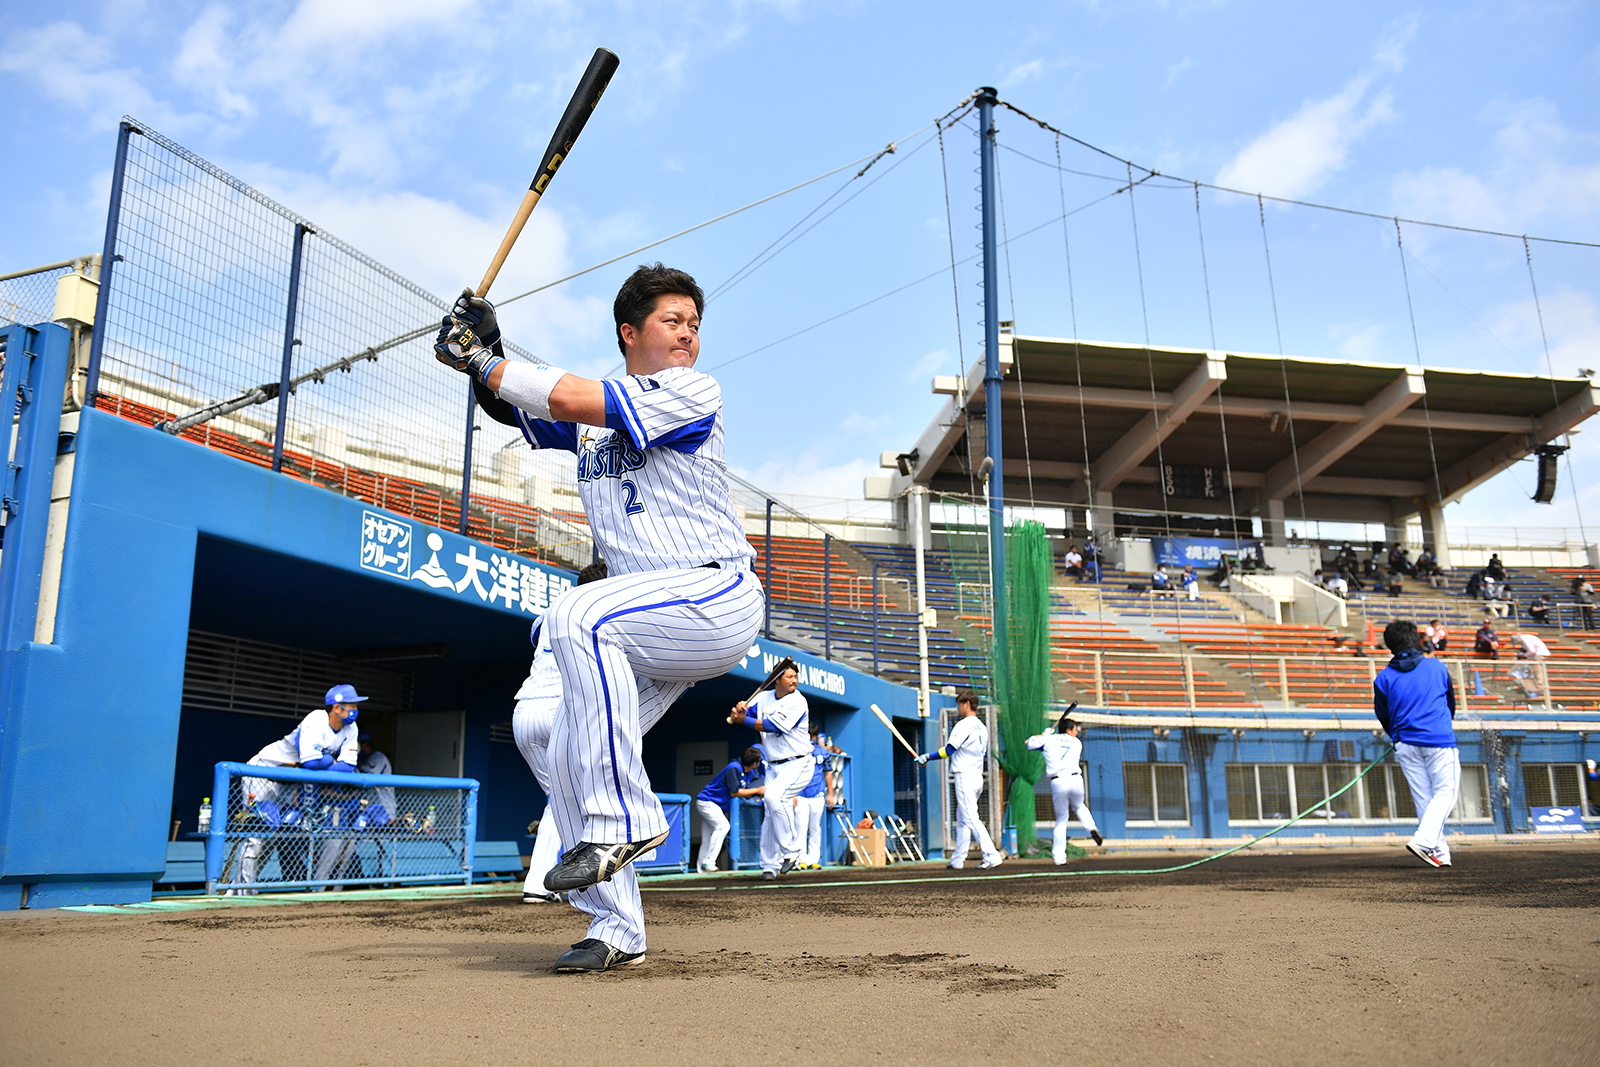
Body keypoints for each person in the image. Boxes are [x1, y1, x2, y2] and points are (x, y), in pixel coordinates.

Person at [438, 264, 765, 972]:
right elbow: (517, 408)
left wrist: (489, 362)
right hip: (648, 624)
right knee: (561, 743)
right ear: (630, 331)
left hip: (712, 597)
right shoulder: (593, 425)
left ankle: (628, 821)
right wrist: (481, 352)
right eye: (672, 320)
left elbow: (567, 392)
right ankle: (616, 928)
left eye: (694, 323)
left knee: (577, 611)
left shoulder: (689, 390)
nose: (688, 332)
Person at [511, 559, 614, 905]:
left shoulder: (553, 612)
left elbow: (534, 634)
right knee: (565, 798)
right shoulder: (600, 612)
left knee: (562, 798)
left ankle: (564, 877)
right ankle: (543, 882)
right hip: (559, 709)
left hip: (524, 710)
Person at [235, 685, 364, 892]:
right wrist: (331, 760)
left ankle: (245, 888)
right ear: (336, 707)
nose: (355, 709)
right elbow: (310, 763)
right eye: (351, 705)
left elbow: (347, 767)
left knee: (271, 839)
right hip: (264, 773)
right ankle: (241, 892)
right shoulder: (316, 719)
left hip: (288, 785)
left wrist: (326, 762)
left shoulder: (351, 728)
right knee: (257, 836)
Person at [1372, 620, 1460, 868]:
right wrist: (1441, 727)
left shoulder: (1383, 677)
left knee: (1425, 798)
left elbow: (1383, 714)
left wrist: (1396, 736)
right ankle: (1424, 841)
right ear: (1418, 640)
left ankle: (1440, 853)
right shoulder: (1437, 667)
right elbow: (1450, 704)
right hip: (1438, 739)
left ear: (1389, 646)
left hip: (1405, 743)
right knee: (1446, 793)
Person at [730, 662, 811, 879]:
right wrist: (741, 708)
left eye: (795, 676)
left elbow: (770, 726)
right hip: (775, 765)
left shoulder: (797, 701)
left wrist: (742, 720)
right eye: (789, 677)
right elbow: (749, 710)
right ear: (777, 680)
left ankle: (792, 851)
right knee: (770, 811)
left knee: (775, 798)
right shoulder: (764, 697)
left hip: (798, 762)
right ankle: (768, 865)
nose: (794, 680)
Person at [916, 691, 1002, 870]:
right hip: (977, 776)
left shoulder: (964, 725)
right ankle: (957, 859)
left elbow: (949, 750)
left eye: (960, 704)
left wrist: (927, 757)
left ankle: (992, 855)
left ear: (967, 704)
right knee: (963, 819)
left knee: (970, 817)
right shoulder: (981, 726)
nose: (958, 708)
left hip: (965, 775)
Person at [1024, 711, 1102, 865]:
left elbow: (1028, 743)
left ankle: (1059, 858)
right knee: (1079, 806)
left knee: (1062, 819)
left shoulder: (1049, 740)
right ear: (1068, 730)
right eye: (1074, 729)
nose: (1076, 732)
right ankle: (1092, 828)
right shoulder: (1077, 743)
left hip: (1058, 781)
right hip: (1075, 779)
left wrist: (1043, 735)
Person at [693, 747, 764, 873]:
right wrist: (757, 790)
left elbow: (745, 790)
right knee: (723, 826)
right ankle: (709, 862)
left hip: (716, 805)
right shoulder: (734, 768)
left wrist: (755, 795)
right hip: (708, 801)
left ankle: (702, 871)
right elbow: (734, 792)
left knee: (708, 837)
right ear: (755, 763)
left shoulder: (750, 773)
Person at [794, 724, 838, 869]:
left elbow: (828, 773)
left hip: (817, 795)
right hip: (800, 794)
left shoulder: (822, 752)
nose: (811, 739)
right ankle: (800, 859)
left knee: (815, 828)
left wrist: (830, 794)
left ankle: (814, 859)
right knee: (800, 827)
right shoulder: (796, 751)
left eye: (812, 736)